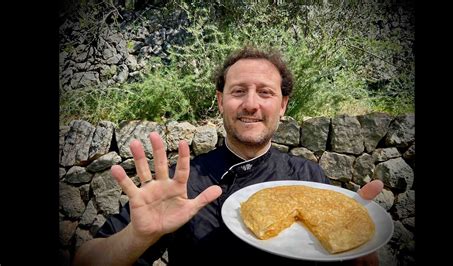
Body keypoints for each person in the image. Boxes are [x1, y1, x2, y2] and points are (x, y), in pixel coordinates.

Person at [73, 46, 383, 266]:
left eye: (265, 92)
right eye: (238, 91)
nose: (251, 104)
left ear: (283, 105)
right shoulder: (182, 183)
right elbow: (86, 260)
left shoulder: (308, 176)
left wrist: (355, 252)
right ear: (221, 101)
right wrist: (137, 237)